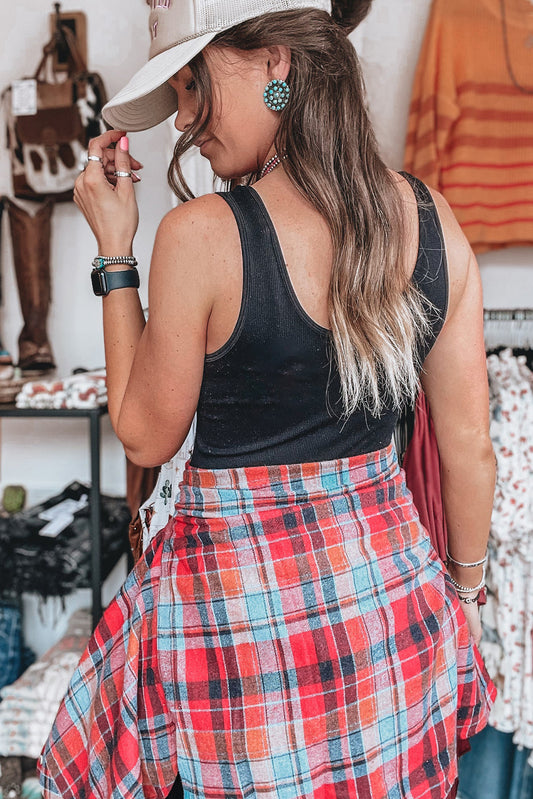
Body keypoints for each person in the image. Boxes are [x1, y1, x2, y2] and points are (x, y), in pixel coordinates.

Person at [38, 0, 497, 797]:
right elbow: (469, 449)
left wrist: (114, 253)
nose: (183, 120)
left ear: (275, 63)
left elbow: (143, 434)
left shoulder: (201, 234)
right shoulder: (433, 223)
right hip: (394, 626)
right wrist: (460, 599)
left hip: (245, 654)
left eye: (191, 85)